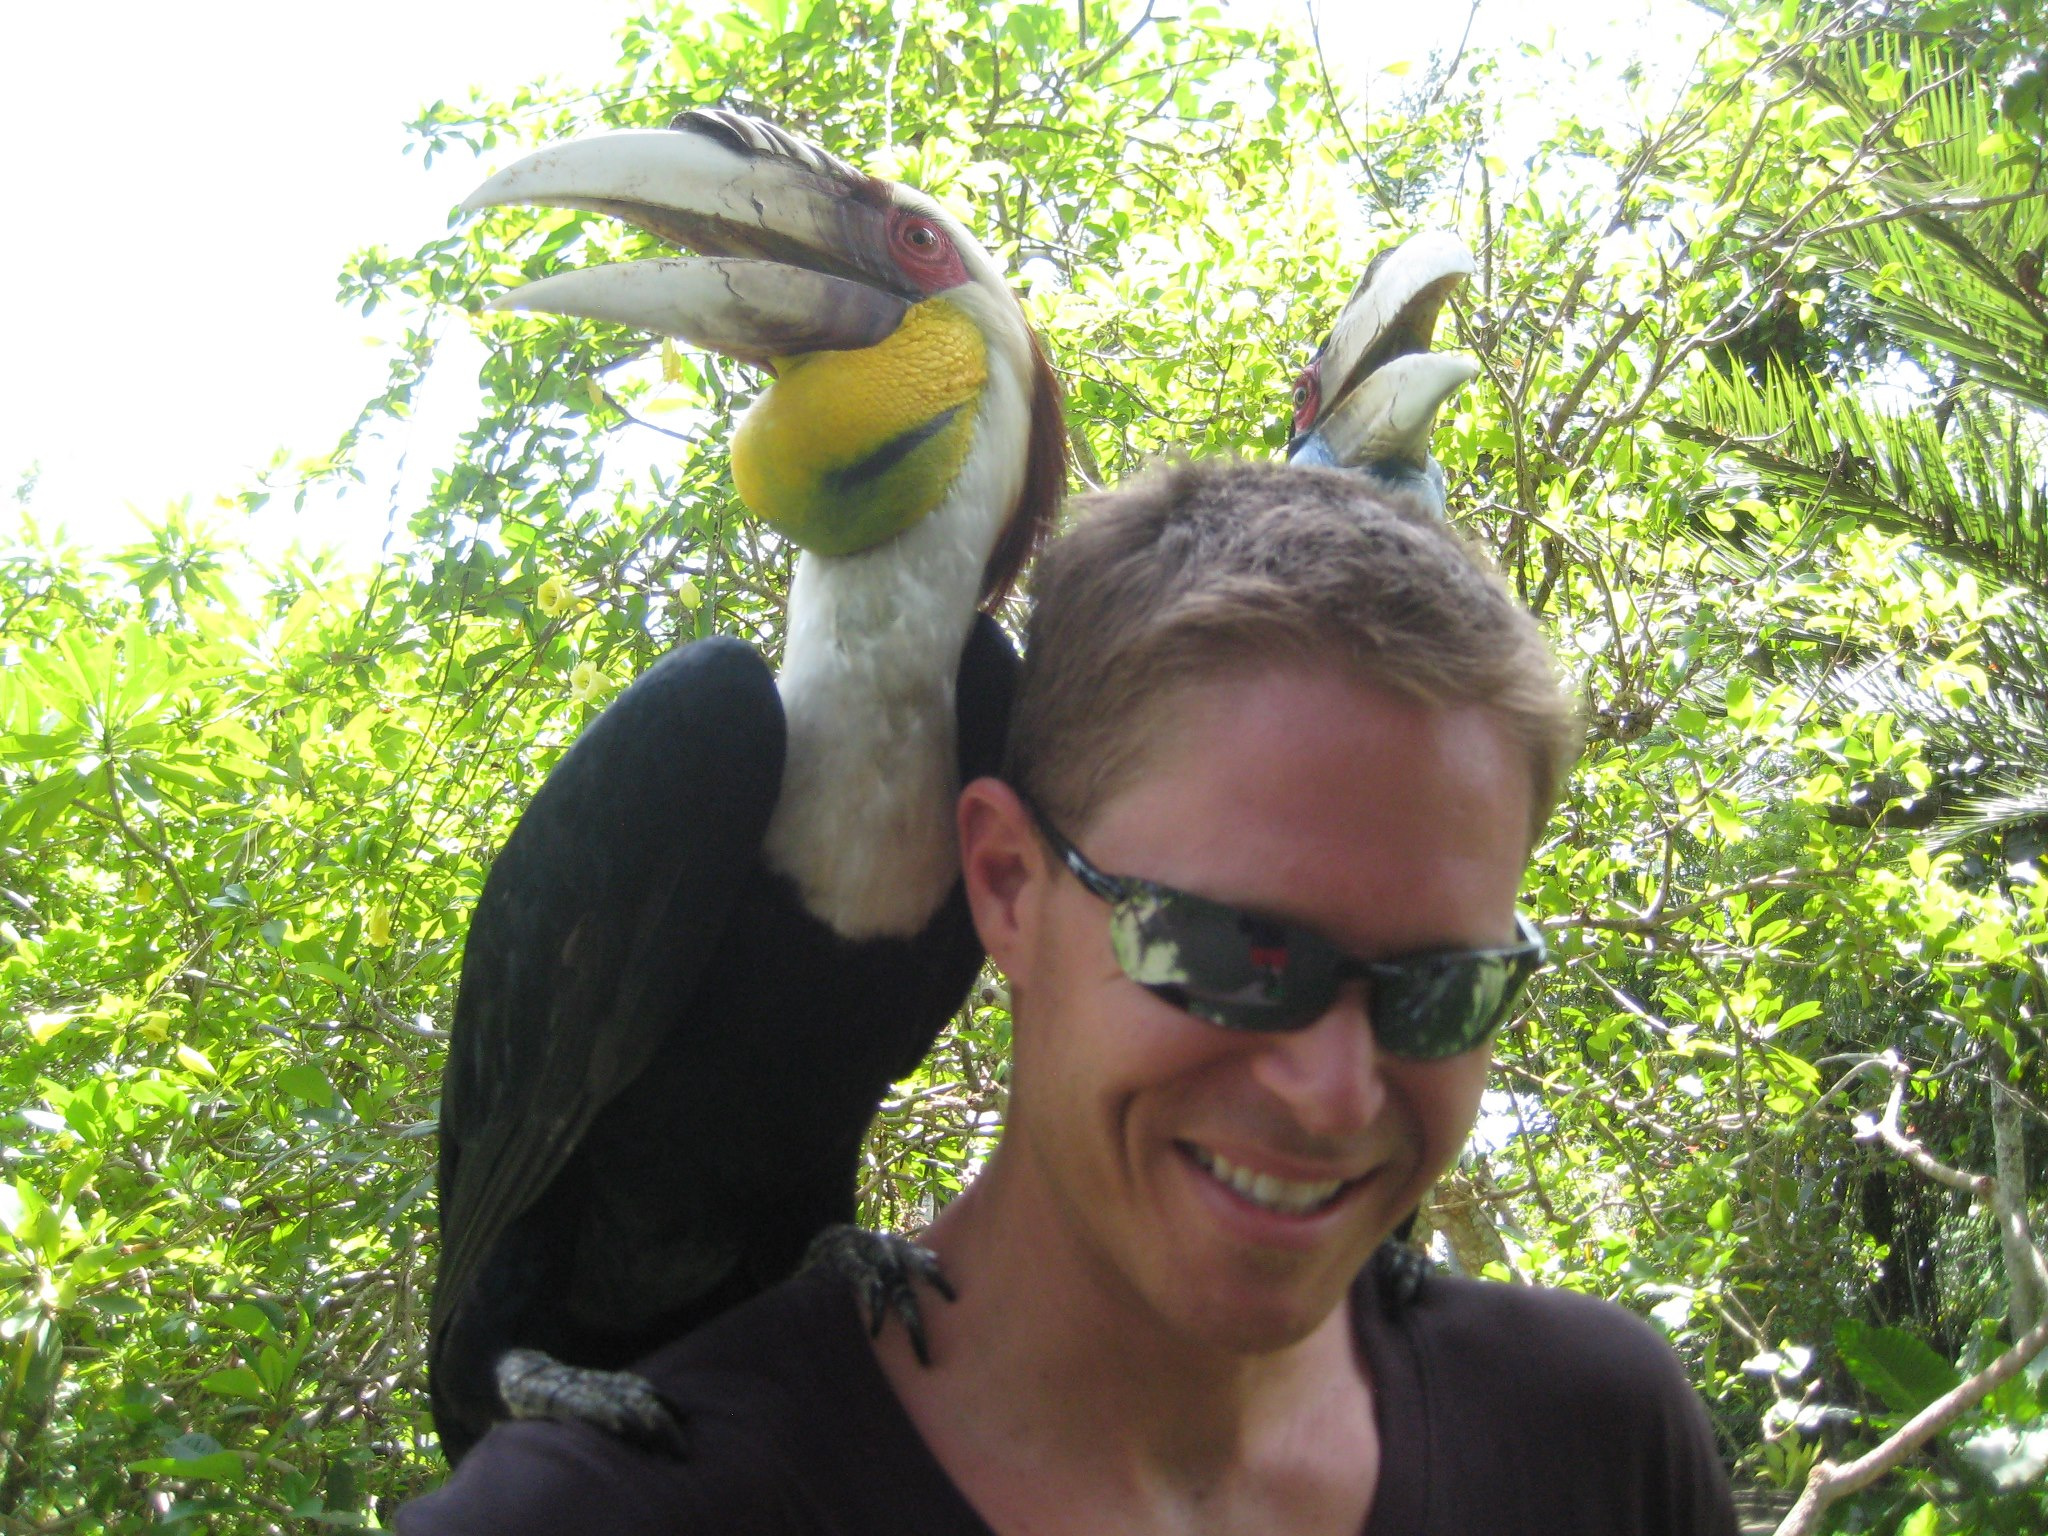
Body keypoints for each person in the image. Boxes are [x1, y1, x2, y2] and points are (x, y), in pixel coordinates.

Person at [396, 458, 1738, 1535]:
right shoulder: (592, 1513)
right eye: (1229, 950)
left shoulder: (1599, 1435)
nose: (1334, 1094)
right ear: (1006, 886)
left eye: (1444, 990)